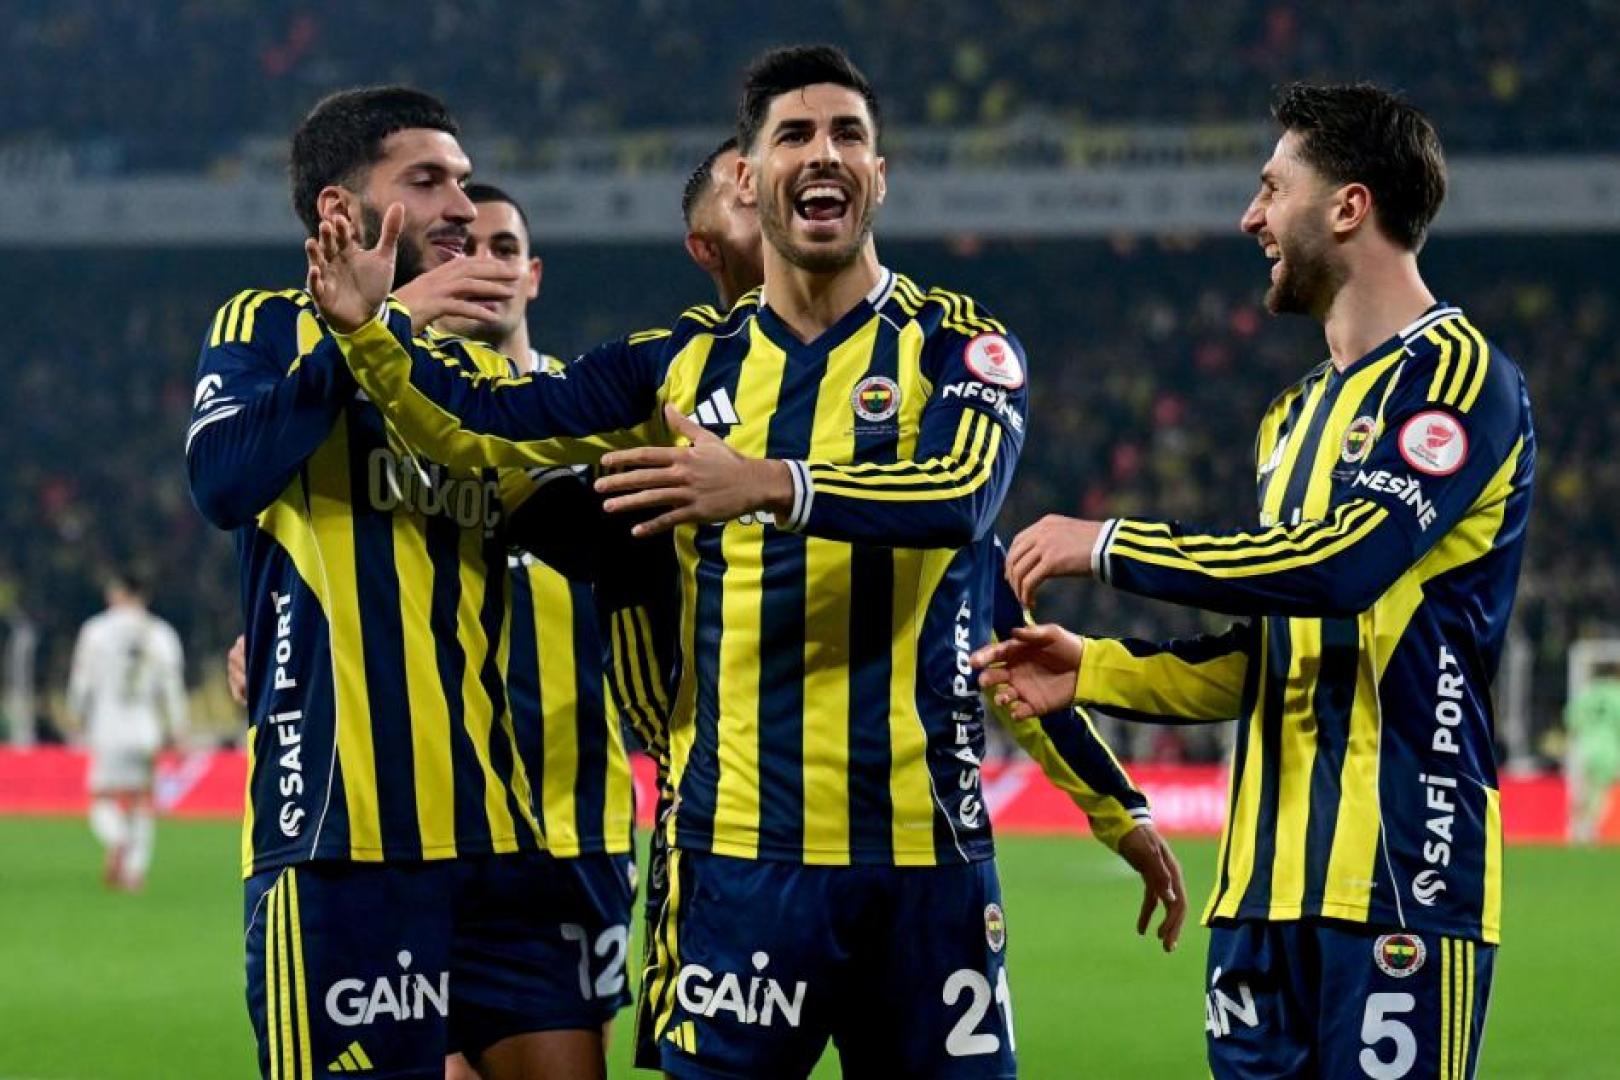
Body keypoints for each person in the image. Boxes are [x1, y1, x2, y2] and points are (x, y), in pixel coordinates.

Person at [307, 46, 1180, 1078]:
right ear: (749, 177)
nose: (825, 153)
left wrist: (764, 484)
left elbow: (959, 500)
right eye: (795, 135)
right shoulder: (677, 364)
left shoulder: (959, 346)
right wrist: (366, 333)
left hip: (927, 861)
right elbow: (480, 424)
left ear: (880, 173)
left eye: (849, 134)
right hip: (739, 862)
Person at [976, 83, 1534, 1079]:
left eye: (1273, 188)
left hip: (1400, 881)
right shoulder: (1290, 419)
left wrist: (1108, 545)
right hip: (1258, 900)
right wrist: (1094, 668)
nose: (1250, 217)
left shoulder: (1457, 376)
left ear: (1348, 207)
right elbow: (1267, 653)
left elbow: (1342, 567)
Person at [185, 86, 627, 1080]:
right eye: (429, 181)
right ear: (341, 209)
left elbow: (590, 544)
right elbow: (222, 481)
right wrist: (366, 334)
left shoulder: (471, 378)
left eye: (464, 182)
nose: (462, 207)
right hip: (341, 839)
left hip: (503, 840)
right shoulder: (265, 325)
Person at [66, 569, 186, 892]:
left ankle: (118, 838)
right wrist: (177, 729)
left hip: (108, 727)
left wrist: (75, 715)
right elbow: (172, 688)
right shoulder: (161, 634)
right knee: (142, 800)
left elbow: (82, 682)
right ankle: (134, 872)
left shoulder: (95, 631)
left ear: (116, 593)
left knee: (101, 799)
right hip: (146, 729)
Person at [1565, 673, 1620, 844]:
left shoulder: (1586, 693)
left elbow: (1570, 719)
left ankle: (1574, 830)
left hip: (1583, 747)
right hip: (1609, 749)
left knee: (1581, 791)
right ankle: (1588, 830)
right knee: (1600, 793)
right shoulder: (1617, 693)